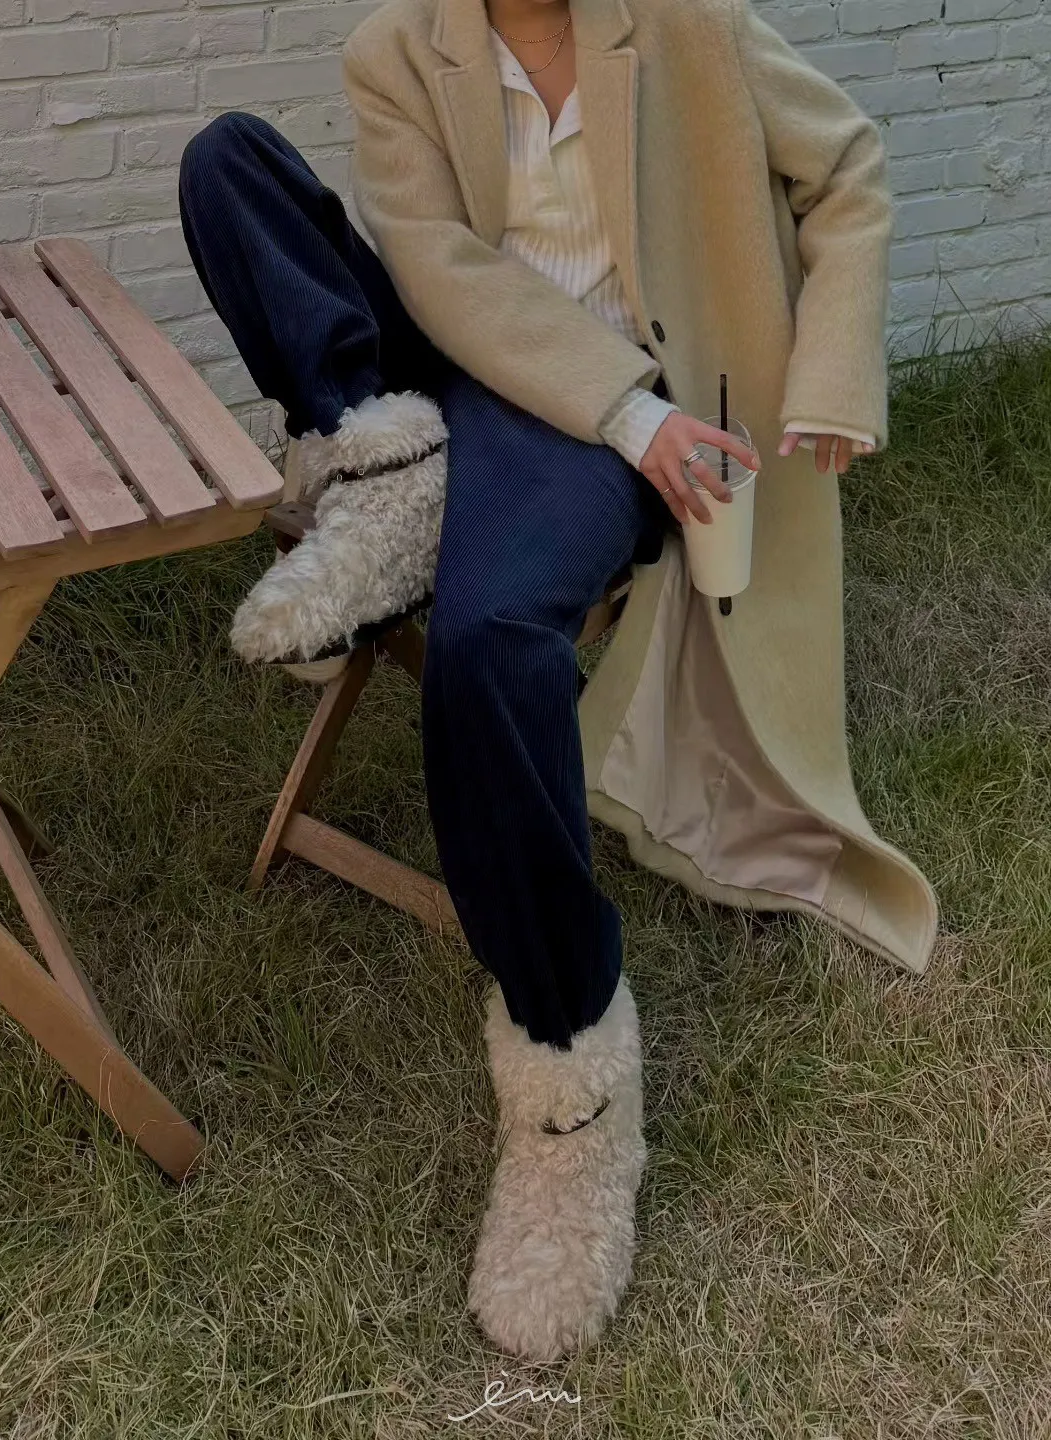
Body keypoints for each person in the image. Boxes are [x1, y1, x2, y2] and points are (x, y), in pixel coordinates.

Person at [179, 0, 938, 1363]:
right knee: (229, 161)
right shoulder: (398, 49)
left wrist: (821, 373)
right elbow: (433, 262)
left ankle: (568, 1069)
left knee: (490, 651)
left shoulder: (688, 23)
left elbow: (846, 164)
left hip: (596, 418)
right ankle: (388, 459)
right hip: (455, 366)